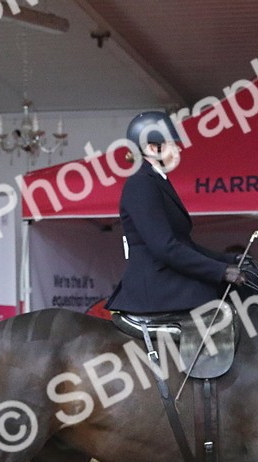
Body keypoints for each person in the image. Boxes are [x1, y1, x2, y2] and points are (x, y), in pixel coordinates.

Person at [105, 111, 248, 314]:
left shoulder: (157, 181)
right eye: (172, 143)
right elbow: (164, 246)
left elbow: (184, 243)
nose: (178, 148)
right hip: (156, 286)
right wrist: (220, 271)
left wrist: (229, 260)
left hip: (167, 277)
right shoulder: (141, 183)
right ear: (153, 148)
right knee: (214, 300)